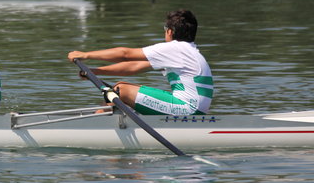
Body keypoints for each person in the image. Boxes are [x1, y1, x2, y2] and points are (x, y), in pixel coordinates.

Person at [68, 9, 214, 115]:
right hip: (195, 108)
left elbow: (126, 55)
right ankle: (105, 120)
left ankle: (96, 125)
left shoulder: (175, 48)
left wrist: (85, 54)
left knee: (121, 90)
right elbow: (134, 66)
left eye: (165, 29)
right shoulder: (188, 51)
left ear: (170, 32)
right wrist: (97, 72)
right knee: (120, 90)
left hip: (187, 109)